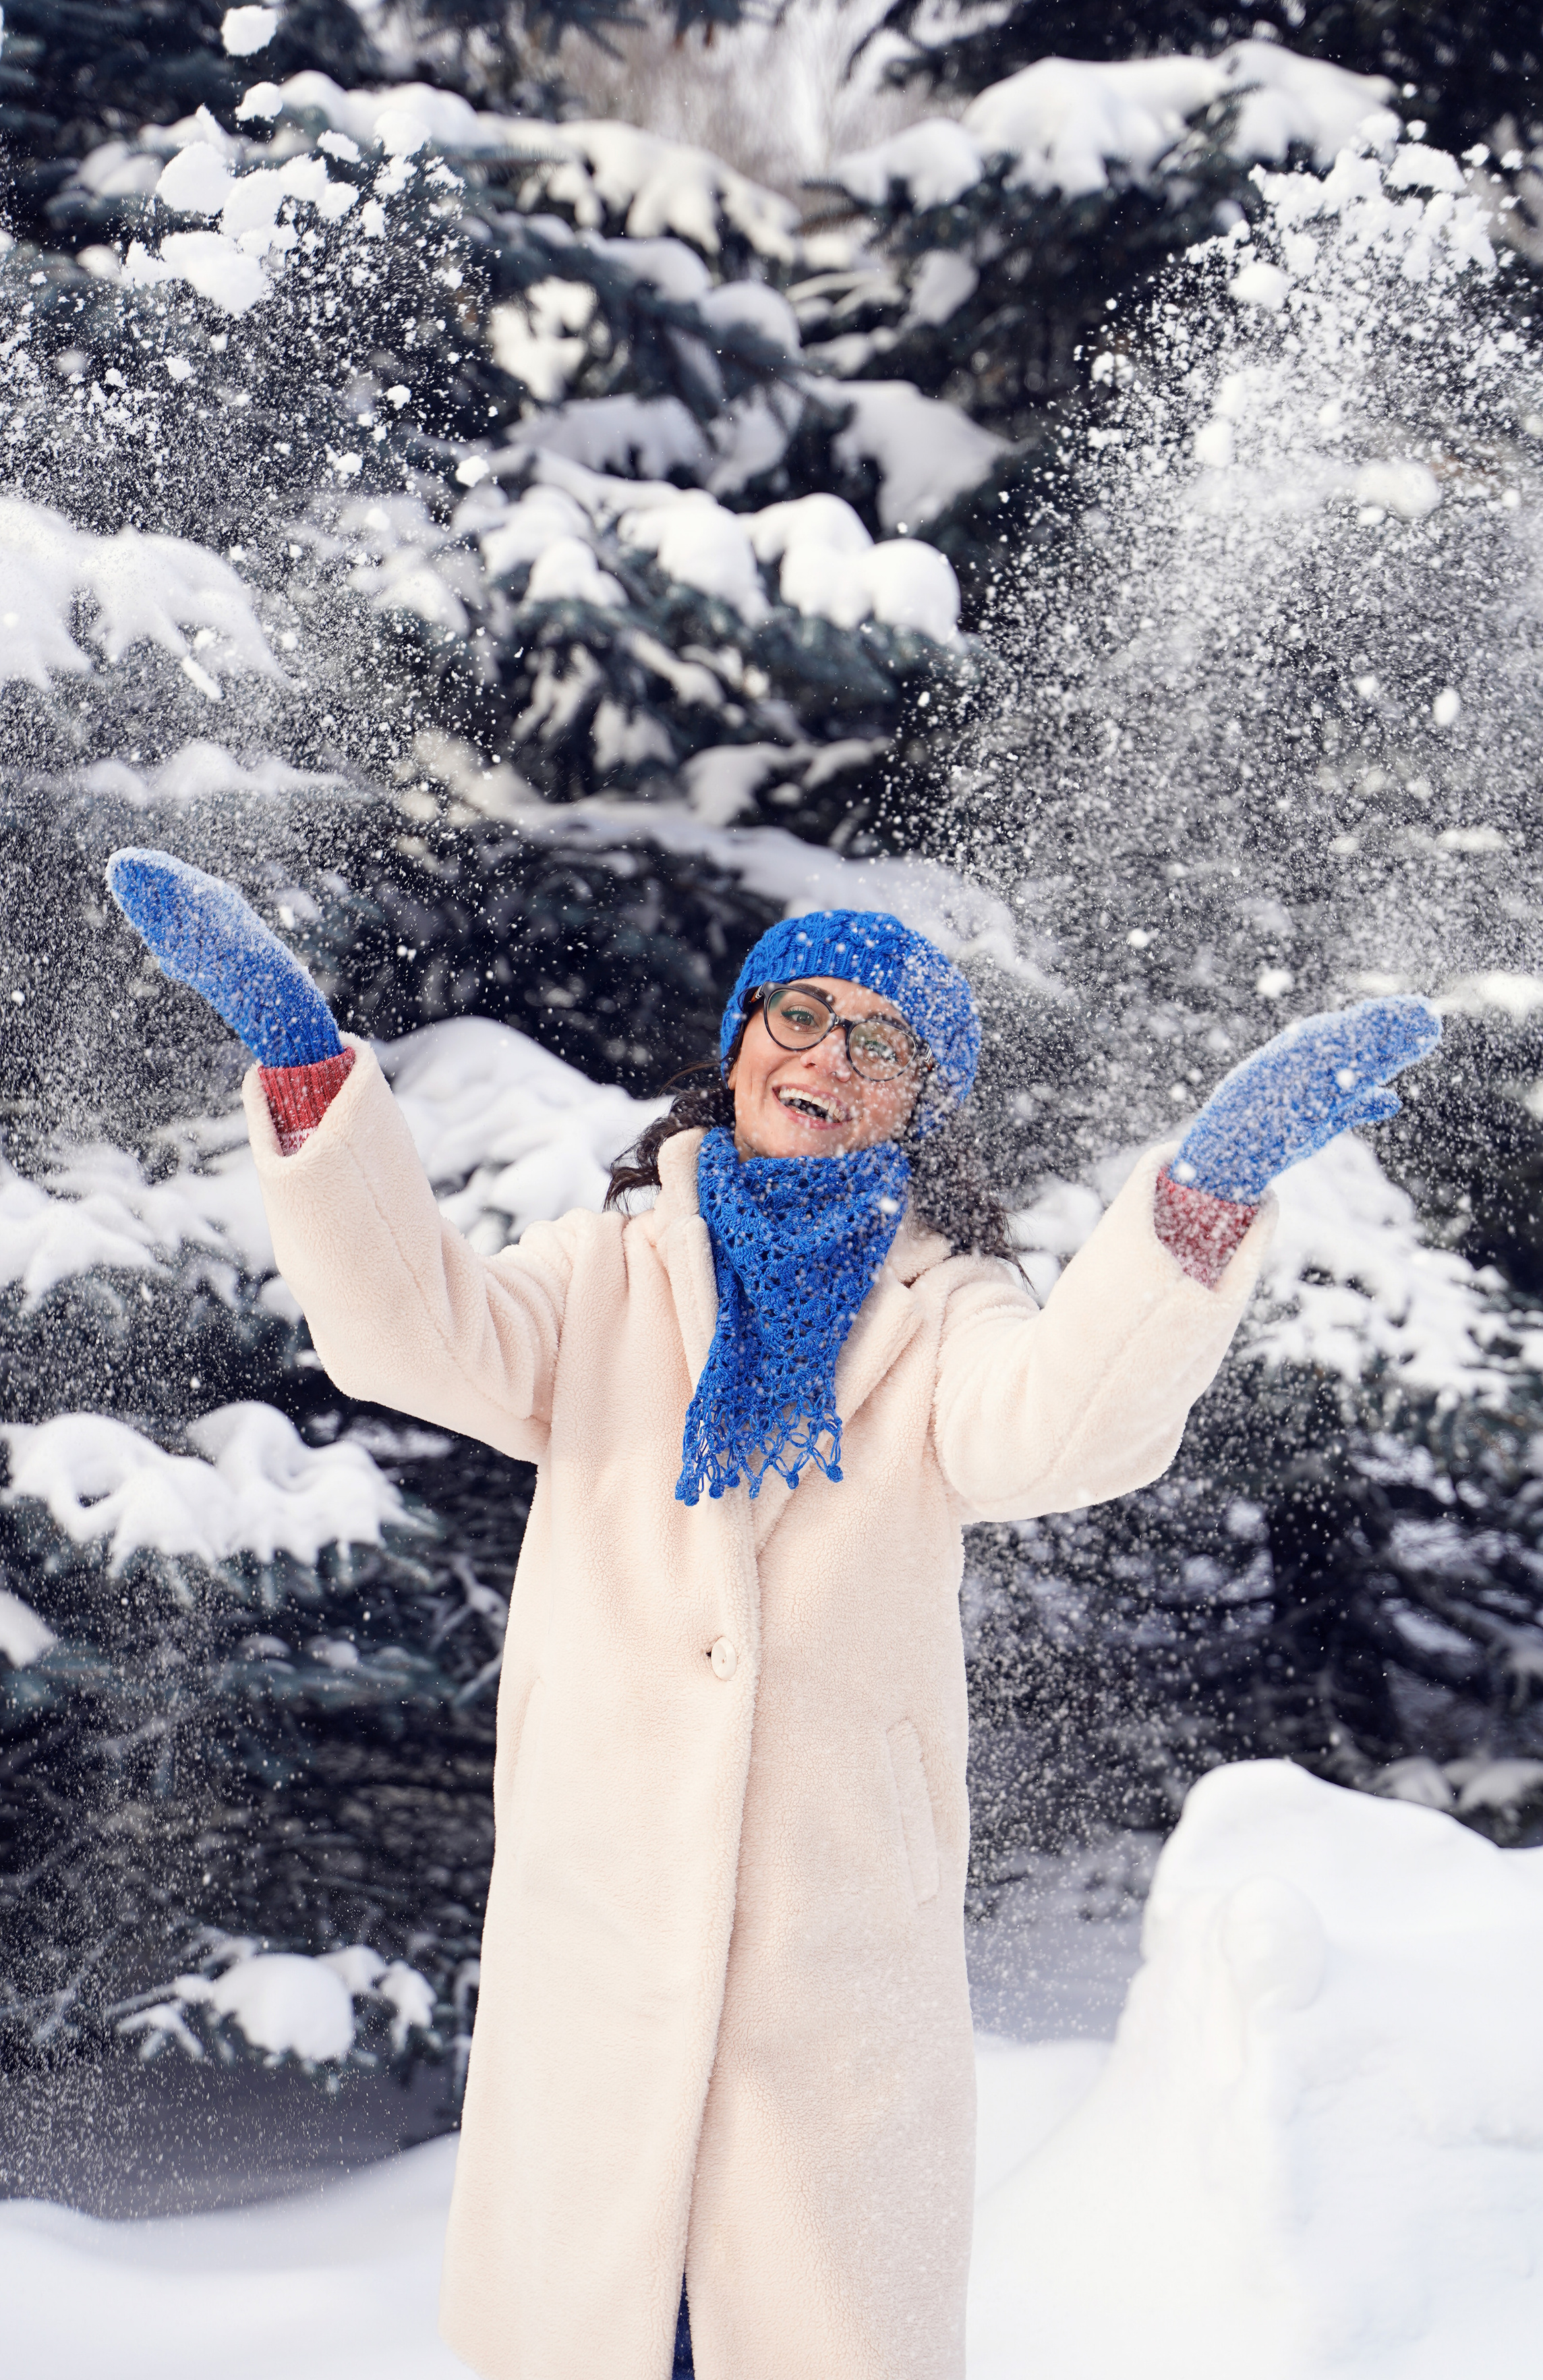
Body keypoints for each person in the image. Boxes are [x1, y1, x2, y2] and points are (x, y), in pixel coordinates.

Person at [105, 853, 1440, 2380]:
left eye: (878, 1040)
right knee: (589, 2328)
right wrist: (306, 1073)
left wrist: (1197, 1200)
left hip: (831, 1972)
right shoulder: (607, 1267)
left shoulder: (949, 1309)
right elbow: (416, 1333)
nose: (823, 1053)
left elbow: (1053, 1434)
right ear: (738, 1041)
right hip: (599, 1934)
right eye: (797, 1012)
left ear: (919, 1103)